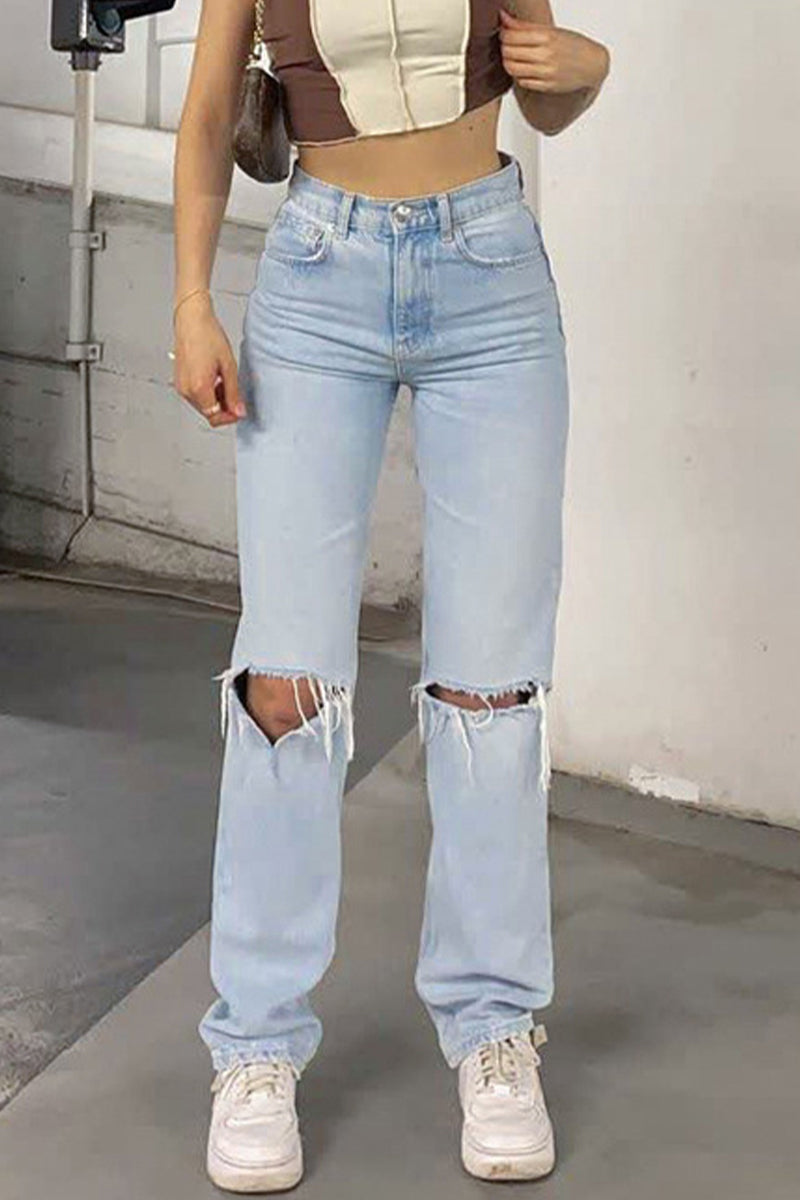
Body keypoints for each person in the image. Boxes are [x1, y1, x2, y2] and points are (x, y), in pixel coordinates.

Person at [172, 0, 609, 1190]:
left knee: (491, 687)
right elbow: (208, 112)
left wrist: (583, 69)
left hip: (489, 277)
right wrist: (191, 301)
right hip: (318, 276)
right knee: (281, 686)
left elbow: (544, 93)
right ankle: (255, 1044)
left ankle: (493, 1028)